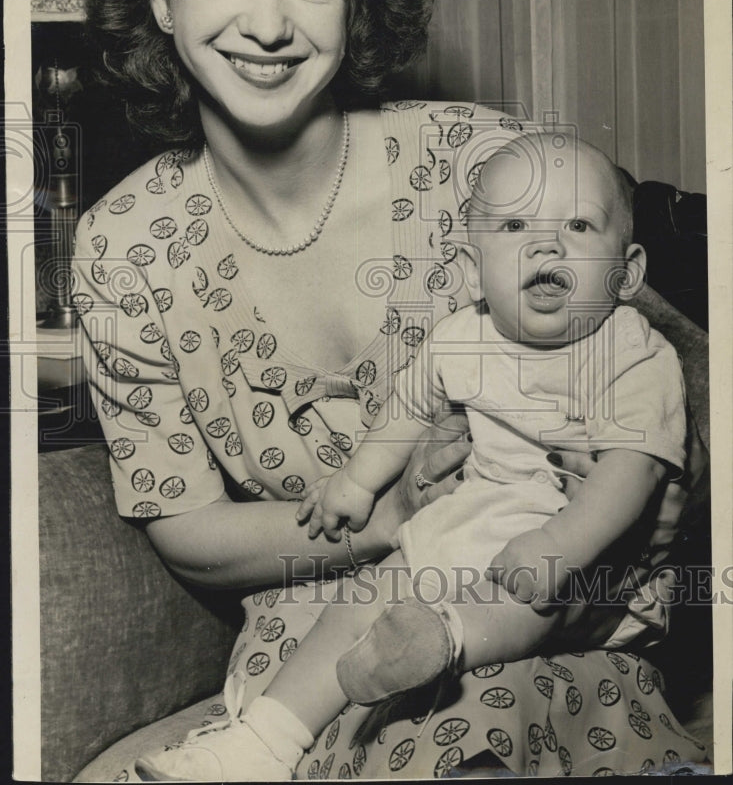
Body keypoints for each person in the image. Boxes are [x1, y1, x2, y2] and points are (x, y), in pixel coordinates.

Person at [72, 0, 708, 780]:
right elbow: (189, 533)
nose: (270, 21)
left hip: (543, 605)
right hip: (310, 628)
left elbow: (673, 406)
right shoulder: (123, 246)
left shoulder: (493, 169)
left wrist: (616, 502)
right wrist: (385, 512)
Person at [133, 132, 687, 781]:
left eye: (578, 225)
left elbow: (633, 471)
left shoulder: (629, 350)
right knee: (369, 593)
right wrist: (354, 483)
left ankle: (442, 638)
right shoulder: (461, 336)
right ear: (475, 267)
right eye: (514, 225)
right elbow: (406, 413)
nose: (547, 243)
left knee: (535, 595)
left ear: (627, 271)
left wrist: (559, 545)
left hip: (586, 562)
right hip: (470, 523)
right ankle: (263, 742)